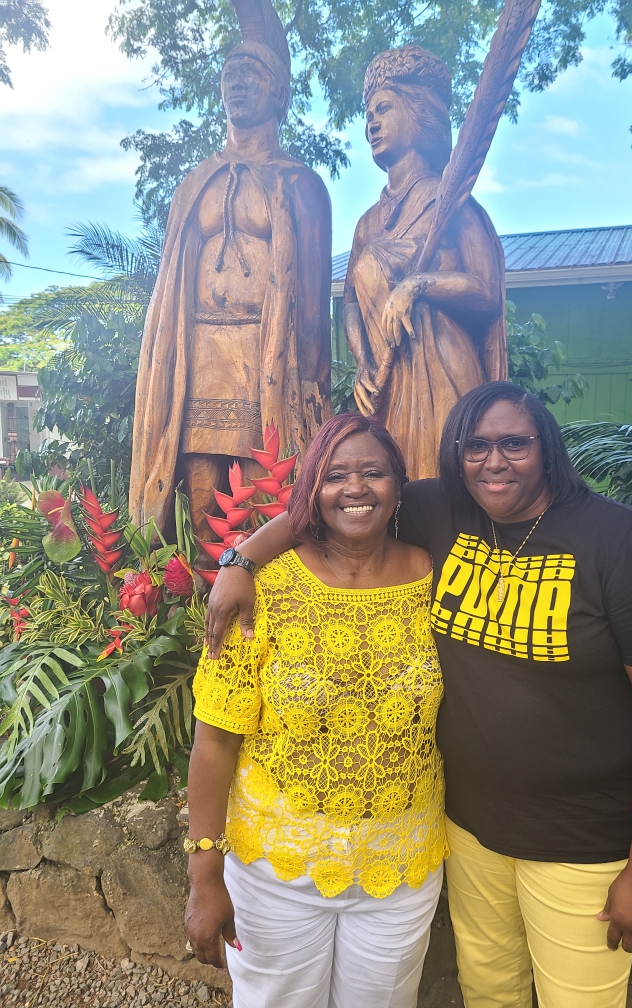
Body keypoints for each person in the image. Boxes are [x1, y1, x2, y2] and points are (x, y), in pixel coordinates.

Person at [204, 381, 632, 1008]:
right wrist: (242, 560)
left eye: (515, 444)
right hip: (469, 831)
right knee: (490, 993)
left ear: (547, 445)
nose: (494, 462)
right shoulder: (444, 510)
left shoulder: (624, 546)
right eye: (477, 446)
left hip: (582, 841)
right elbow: (330, 503)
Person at [185, 413, 446, 1008]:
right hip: (275, 870)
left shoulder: (435, 577)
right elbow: (216, 738)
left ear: (399, 486)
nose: (355, 489)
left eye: (373, 473)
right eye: (335, 476)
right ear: (311, 493)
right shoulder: (262, 586)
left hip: (401, 870)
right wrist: (204, 874)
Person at [129, 0, 331, 538]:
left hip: (267, 355)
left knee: (268, 483)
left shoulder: (301, 184)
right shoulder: (196, 184)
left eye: (253, 72)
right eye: (230, 73)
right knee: (199, 487)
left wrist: (314, 384)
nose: (238, 82)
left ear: (280, 92)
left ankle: (261, 592)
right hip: (199, 351)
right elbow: (170, 284)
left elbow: (313, 304)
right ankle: (192, 601)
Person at [344, 45, 507, 480]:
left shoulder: (451, 203)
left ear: (418, 115)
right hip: (388, 378)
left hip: (444, 370)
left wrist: (416, 286)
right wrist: (362, 363)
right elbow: (349, 303)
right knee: (395, 501)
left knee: (446, 492)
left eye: (383, 109)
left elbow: (487, 292)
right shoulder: (367, 224)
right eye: (368, 114)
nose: (371, 123)